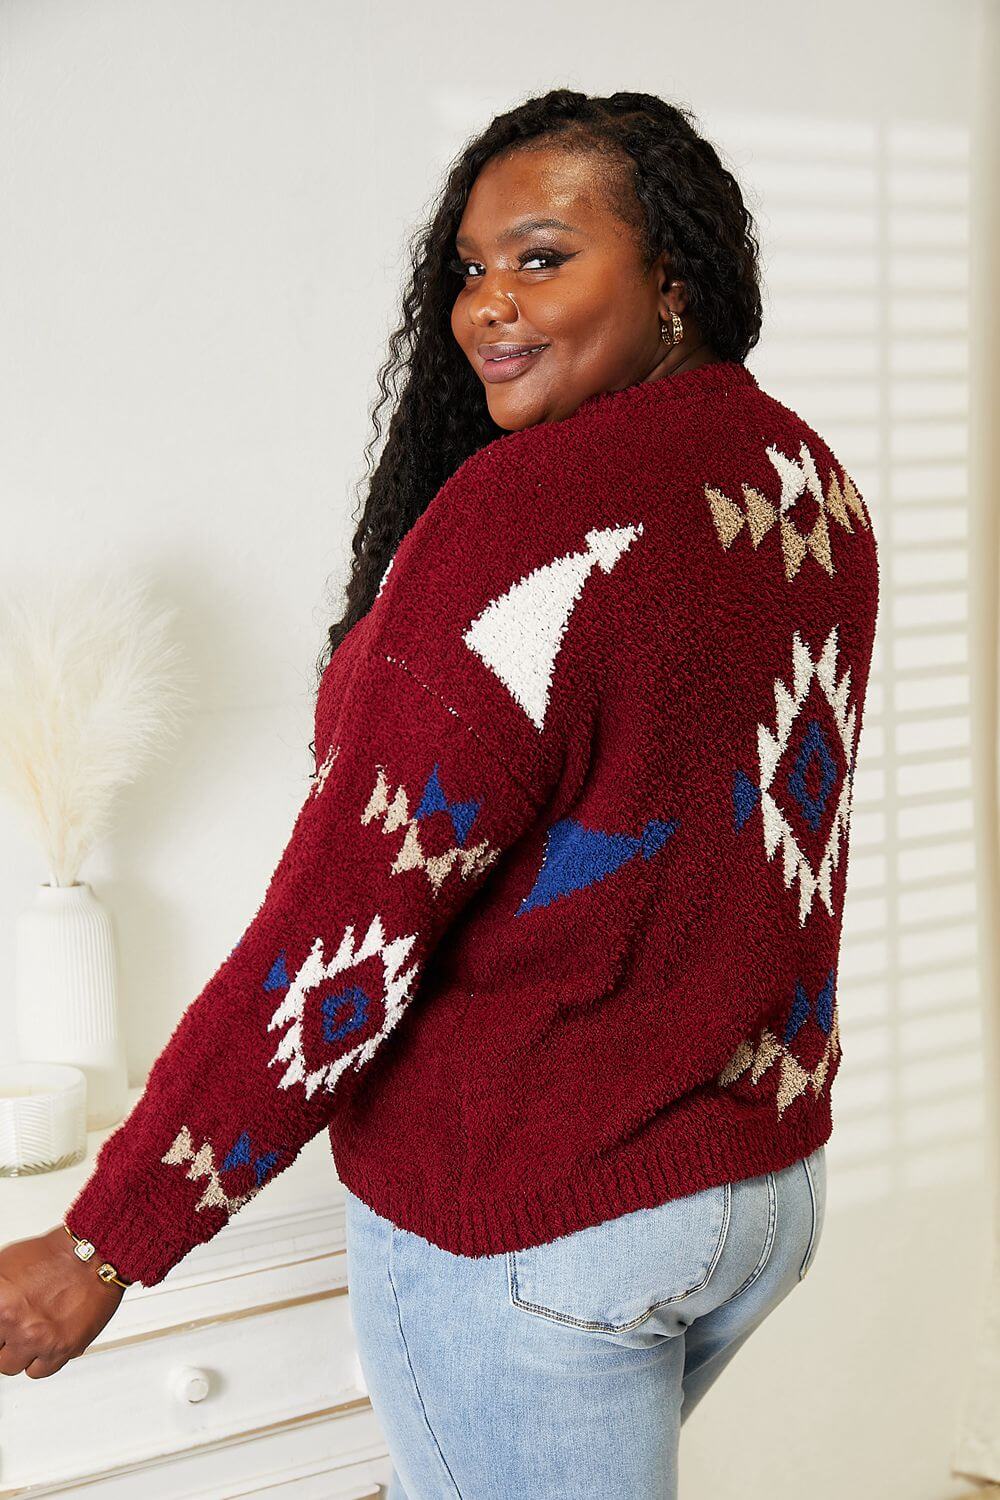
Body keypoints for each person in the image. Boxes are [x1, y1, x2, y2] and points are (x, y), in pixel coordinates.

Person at [0, 89, 878, 1500]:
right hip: (752, 1186)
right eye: (471, 268)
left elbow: (343, 931)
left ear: (673, 278)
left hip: (542, 1218)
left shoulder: (526, 522)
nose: (487, 306)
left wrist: (107, 1239)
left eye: (543, 256)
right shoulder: (805, 485)